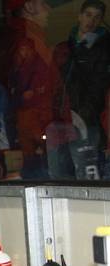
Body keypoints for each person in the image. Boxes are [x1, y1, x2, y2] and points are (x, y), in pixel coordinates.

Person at [0, 0, 57, 179]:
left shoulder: (30, 39)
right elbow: (30, 98)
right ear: (29, 7)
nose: (49, 8)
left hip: (38, 133)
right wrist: (41, 138)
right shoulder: (28, 42)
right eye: (43, 3)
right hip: (38, 134)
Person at [51, 0, 109, 180]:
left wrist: (83, 116)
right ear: (80, 16)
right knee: (62, 176)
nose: (91, 21)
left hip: (87, 122)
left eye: (97, 17)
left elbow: (99, 87)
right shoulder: (63, 48)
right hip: (63, 121)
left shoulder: (104, 49)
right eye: (88, 15)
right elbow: (55, 86)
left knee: (87, 176)